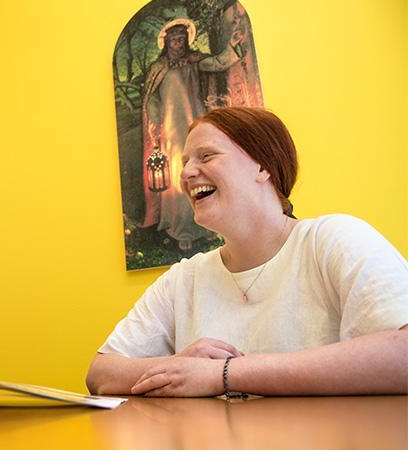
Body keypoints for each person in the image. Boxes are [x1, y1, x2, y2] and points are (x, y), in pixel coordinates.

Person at [88, 106, 408, 397]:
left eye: (206, 156)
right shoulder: (183, 279)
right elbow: (100, 374)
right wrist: (175, 366)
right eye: (184, 162)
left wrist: (223, 374)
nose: (185, 174)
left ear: (262, 167)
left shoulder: (333, 238)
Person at [140, 19, 246, 250]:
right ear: (166, 42)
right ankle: (181, 229)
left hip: (196, 123)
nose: (178, 43)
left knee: (206, 174)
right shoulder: (159, 68)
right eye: (174, 40)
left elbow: (218, 63)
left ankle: (208, 228)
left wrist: (234, 48)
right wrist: (155, 125)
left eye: (181, 39)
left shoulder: (194, 61)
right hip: (171, 130)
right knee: (180, 178)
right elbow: (152, 100)